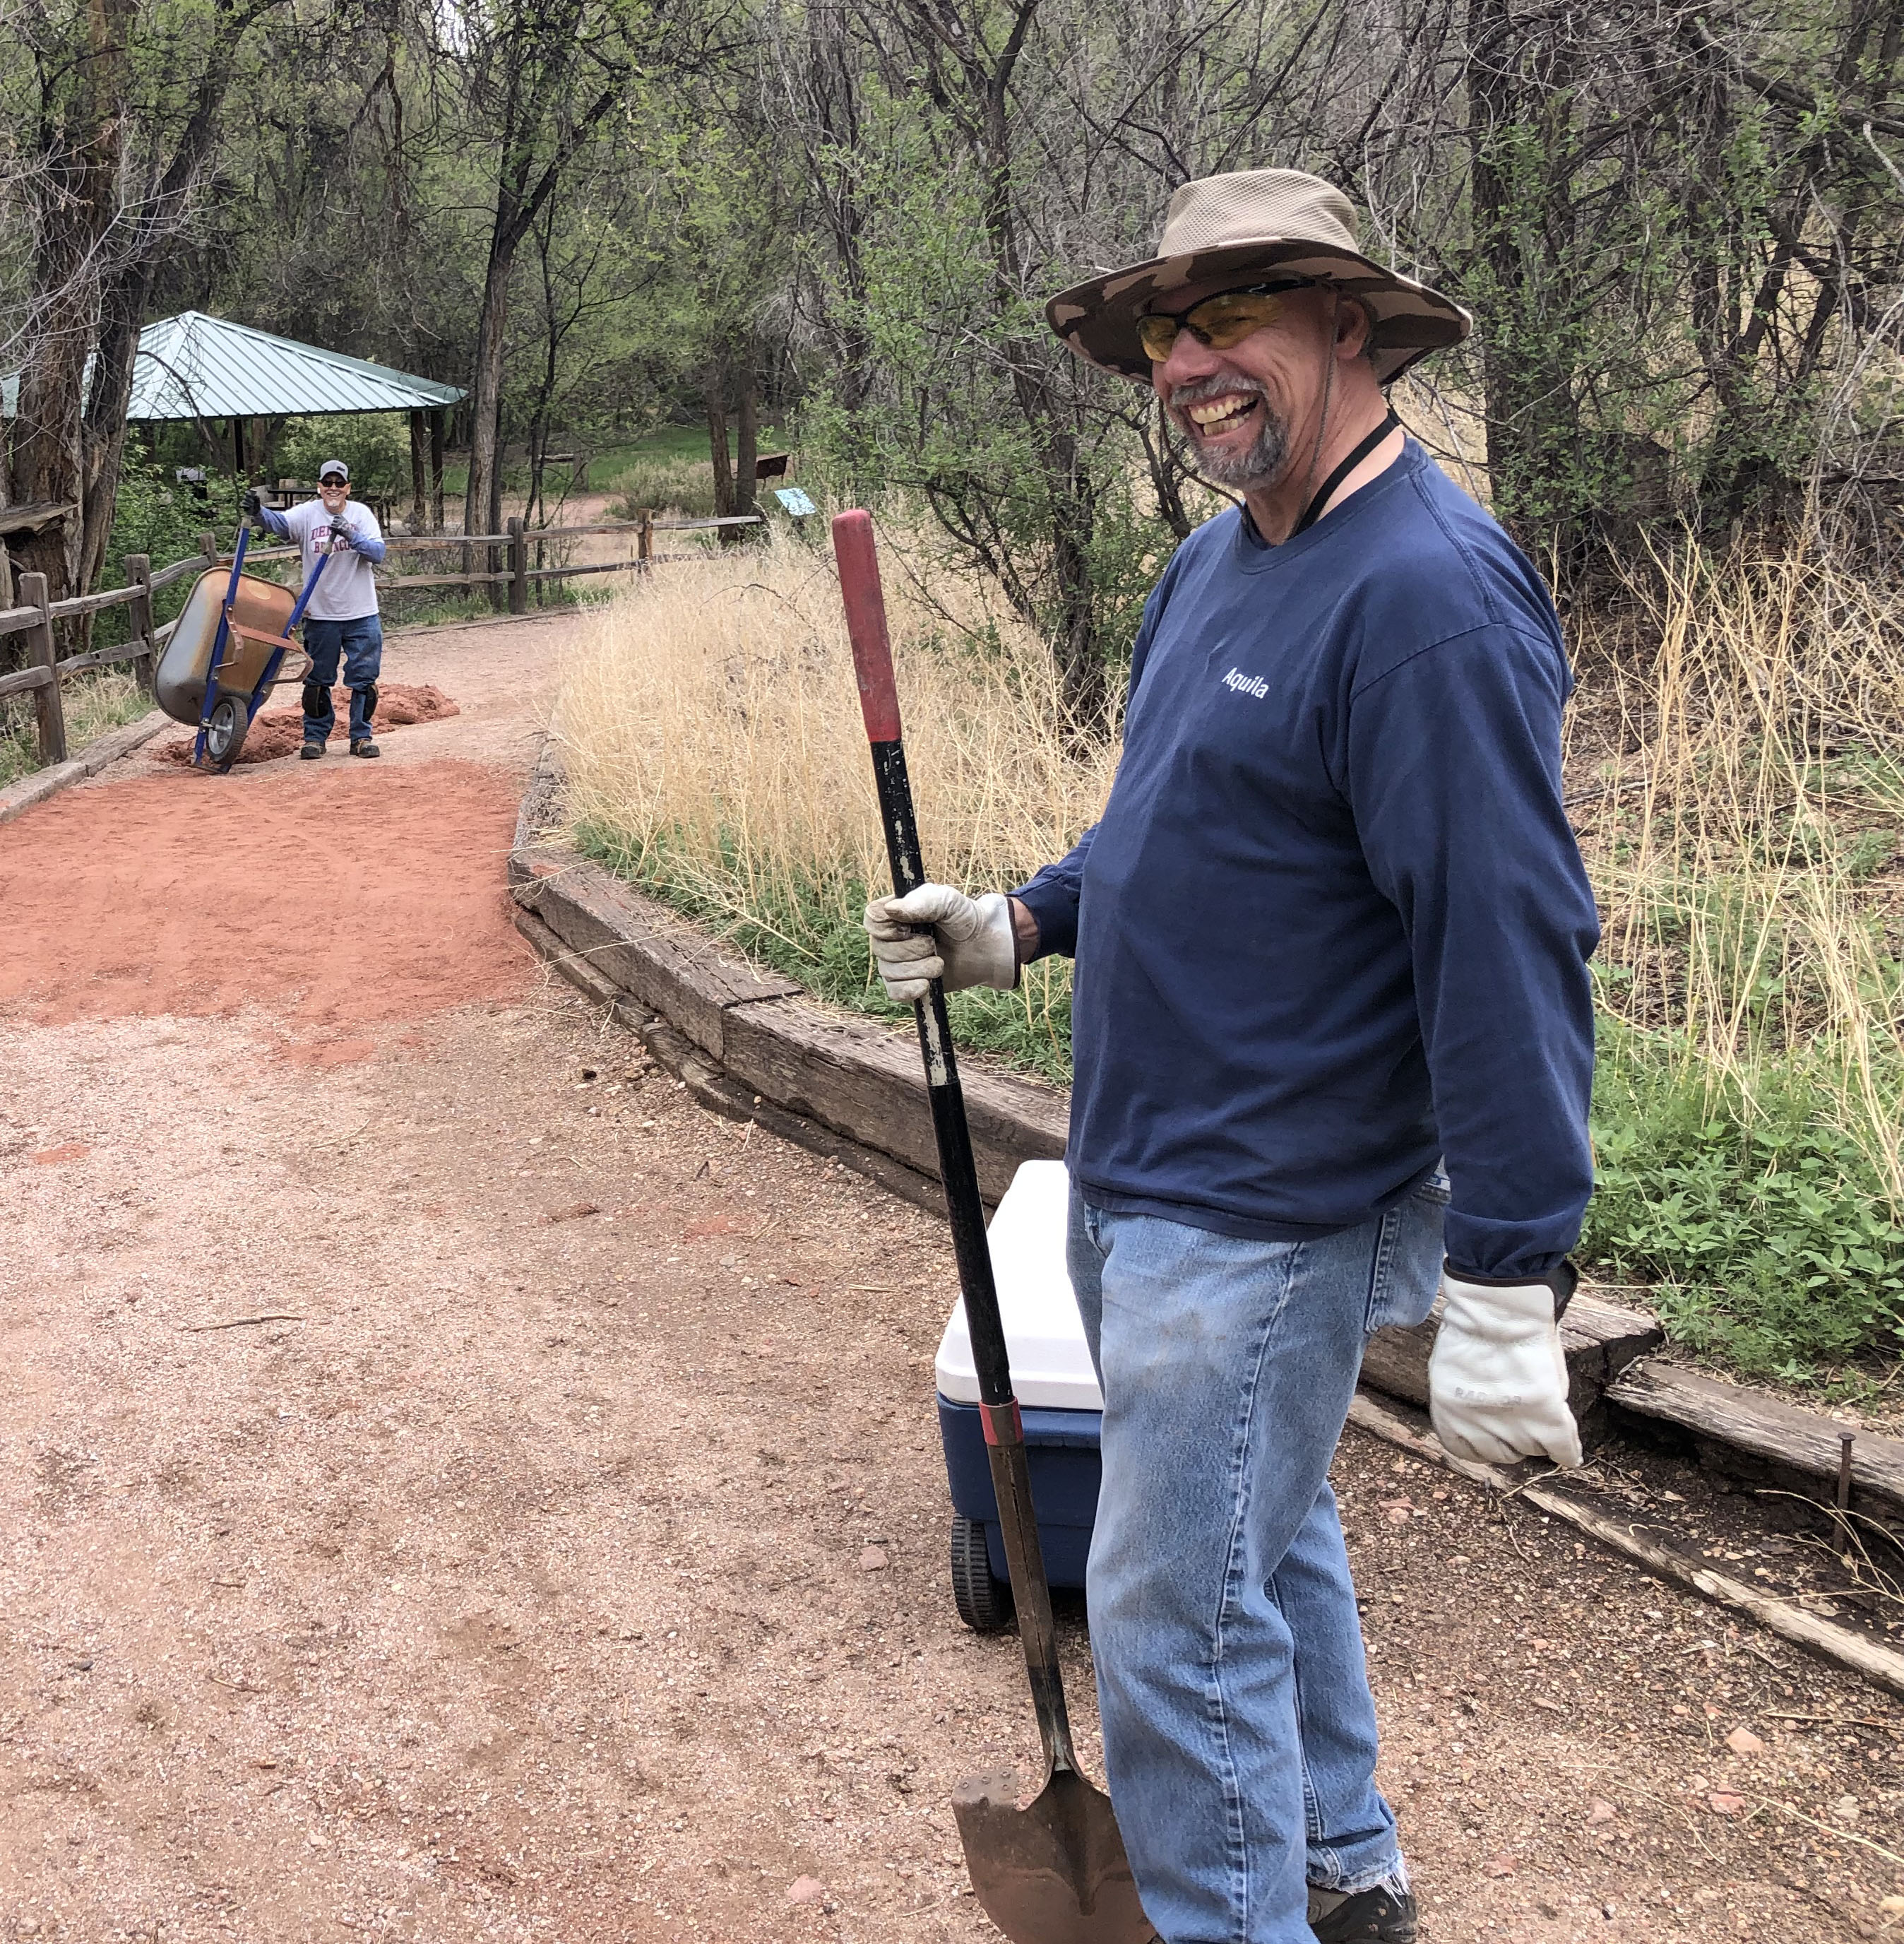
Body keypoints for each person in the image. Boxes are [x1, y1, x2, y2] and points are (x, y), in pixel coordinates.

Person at [864, 170, 1598, 1944]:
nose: (1191, 359)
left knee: (1172, 1621)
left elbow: (1508, 950)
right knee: (1259, 1547)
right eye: (1168, 331)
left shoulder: (1429, 600)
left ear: (1351, 323)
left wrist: (1510, 1284)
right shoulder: (1216, 560)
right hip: (1141, 1181)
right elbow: (1179, 825)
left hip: (1265, 1214)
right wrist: (1025, 920)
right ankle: (1343, 1878)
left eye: (1236, 314)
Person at [249, 458, 389, 758]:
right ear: (320, 487)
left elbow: (378, 553)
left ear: (348, 488)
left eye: (340, 483)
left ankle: (361, 737)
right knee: (317, 679)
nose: (334, 488)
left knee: (364, 679)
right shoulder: (307, 514)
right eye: (328, 483)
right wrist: (258, 513)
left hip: (362, 613)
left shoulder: (361, 514)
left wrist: (351, 534)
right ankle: (315, 739)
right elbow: (279, 524)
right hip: (321, 614)